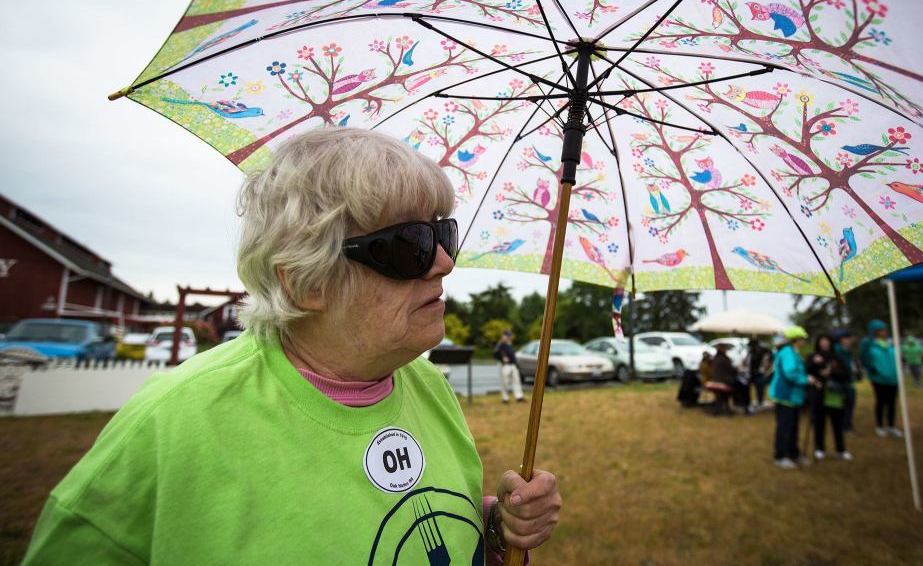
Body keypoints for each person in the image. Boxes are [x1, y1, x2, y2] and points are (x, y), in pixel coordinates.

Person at [23, 128, 561, 563]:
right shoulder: (171, 426)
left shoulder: (428, 388)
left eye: (442, 234)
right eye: (410, 245)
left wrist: (494, 531)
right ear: (307, 284)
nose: (445, 262)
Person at [769, 326, 819, 469]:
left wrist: (806, 378)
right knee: (785, 427)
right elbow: (790, 373)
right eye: (803, 338)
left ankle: (793, 453)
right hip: (785, 395)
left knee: (793, 427)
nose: (804, 341)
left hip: (793, 396)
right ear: (796, 339)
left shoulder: (792, 352)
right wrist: (806, 380)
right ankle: (780, 456)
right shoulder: (788, 353)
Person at [805, 334, 852, 461]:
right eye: (822, 341)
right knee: (819, 423)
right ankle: (819, 448)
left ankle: (840, 449)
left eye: (826, 341)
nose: (824, 344)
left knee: (837, 423)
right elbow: (806, 372)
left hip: (835, 395)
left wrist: (832, 371)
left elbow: (846, 375)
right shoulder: (813, 356)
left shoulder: (837, 358)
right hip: (819, 395)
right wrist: (814, 365)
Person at [860, 319, 902, 438]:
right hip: (879, 379)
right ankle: (880, 426)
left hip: (893, 378)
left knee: (892, 402)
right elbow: (864, 358)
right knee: (881, 401)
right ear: (875, 331)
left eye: (884, 330)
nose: (883, 332)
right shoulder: (869, 343)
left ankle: (891, 426)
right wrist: (872, 369)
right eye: (880, 330)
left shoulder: (890, 343)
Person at [834, 330, 860, 434]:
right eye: (846, 338)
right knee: (845, 405)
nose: (849, 340)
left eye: (849, 338)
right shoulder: (838, 351)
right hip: (842, 382)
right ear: (840, 340)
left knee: (849, 404)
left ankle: (847, 425)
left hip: (849, 381)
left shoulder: (847, 351)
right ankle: (845, 425)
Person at [494, 329, 525, 404]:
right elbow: (495, 354)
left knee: (516, 381)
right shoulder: (501, 344)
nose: (508, 337)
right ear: (503, 336)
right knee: (505, 382)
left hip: (513, 365)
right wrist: (502, 358)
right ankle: (505, 398)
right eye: (507, 335)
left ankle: (519, 396)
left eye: (509, 335)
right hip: (505, 366)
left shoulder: (510, 344)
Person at [707, 343, 738, 415]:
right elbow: (732, 370)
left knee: (722, 393)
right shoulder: (725, 359)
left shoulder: (715, 358)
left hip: (714, 380)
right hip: (723, 381)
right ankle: (736, 404)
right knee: (738, 386)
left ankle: (721, 406)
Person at [748, 337, 770, 410]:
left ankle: (760, 401)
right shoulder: (751, 352)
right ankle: (755, 401)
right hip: (753, 373)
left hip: (760, 373)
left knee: (760, 385)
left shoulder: (764, 351)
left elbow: (767, 361)